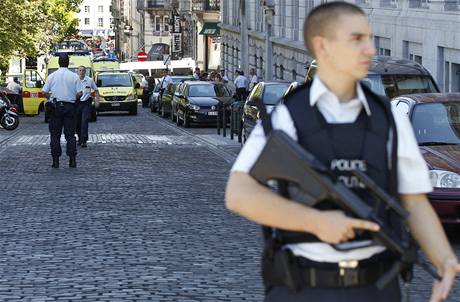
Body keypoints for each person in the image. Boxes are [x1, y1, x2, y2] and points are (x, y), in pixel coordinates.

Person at [225, 2, 460, 302]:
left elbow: (413, 201)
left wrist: (444, 258)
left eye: (370, 39)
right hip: (302, 287)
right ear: (323, 46)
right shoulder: (289, 116)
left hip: (375, 287)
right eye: (356, 39)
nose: (370, 50)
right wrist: (316, 222)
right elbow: (239, 193)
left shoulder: (389, 119)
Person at [43, 54, 83, 168]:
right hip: (70, 107)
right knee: (70, 135)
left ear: (59, 62)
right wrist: (72, 97)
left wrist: (51, 97)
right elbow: (80, 93)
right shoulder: (74, 76)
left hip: (56, 107)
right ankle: (72, 160)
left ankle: (55, 161)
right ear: (68, 62)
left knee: (55, 135)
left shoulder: (52, 76)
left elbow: (44, 91)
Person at [76, 66, 99, 148]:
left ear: (85, 72)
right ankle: (79, 137)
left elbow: (96, 90)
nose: (81, 72)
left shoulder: (89, 80)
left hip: (86, 103)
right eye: (80, 70)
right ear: (77, 72)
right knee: (77, 122)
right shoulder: (74, 80)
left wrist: (97, 101)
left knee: (84, 121)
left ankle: (84, 140)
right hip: (77, 103)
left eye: (83, 70)